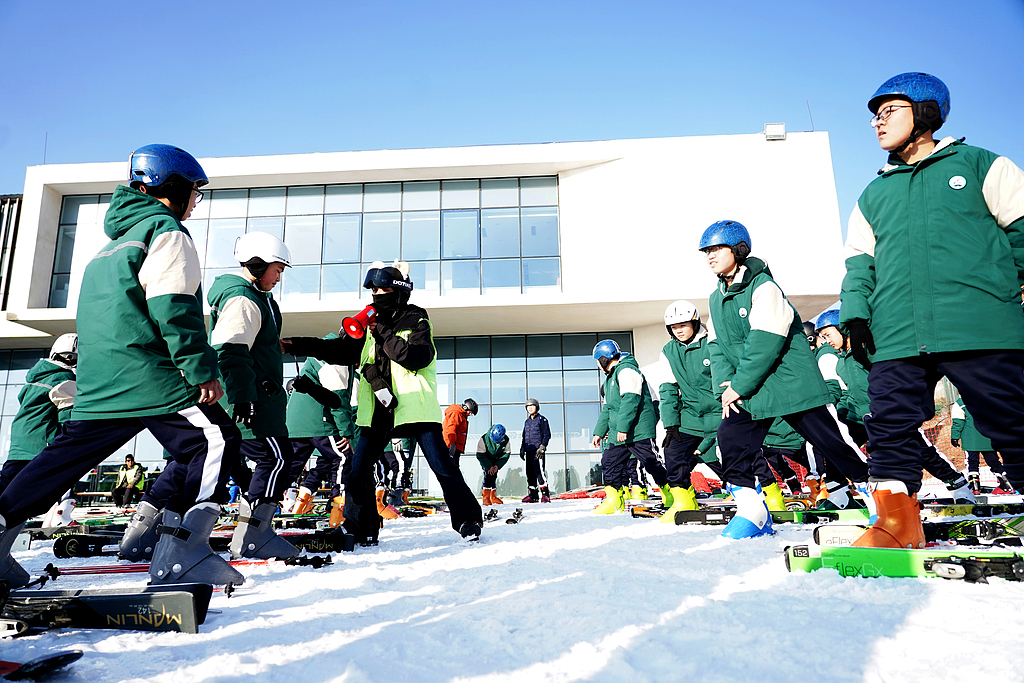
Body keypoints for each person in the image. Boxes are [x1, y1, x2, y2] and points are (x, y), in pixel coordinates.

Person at [0, 144, 243, 588]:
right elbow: (172, 306)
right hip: (150, 376)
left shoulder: (109, 248)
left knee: (56, 464)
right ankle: (183, 552)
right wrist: (200, 367)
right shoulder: (164, 231)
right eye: (194, 191)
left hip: (100, 383)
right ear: (173, 188)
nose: (195, 202)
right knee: (216, 440)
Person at [839, 72, 1024, 548]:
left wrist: (1006, 291)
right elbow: (860, 266)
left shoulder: (984, 165)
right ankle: (896, 523)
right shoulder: (873, 193)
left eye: (889, 112)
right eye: (874, 117)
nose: (877, 123)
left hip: (980, 326)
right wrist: (856, 315)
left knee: (1010, 420)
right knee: (888, 426)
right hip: (896, 333)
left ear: (926, 113)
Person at [282, 261, 484, 542]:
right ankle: (360, 528)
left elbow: (415, 357)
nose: (377, 294)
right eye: (373, 289)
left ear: (399, 291)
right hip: (377, 410)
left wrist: (382, 332)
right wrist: (299, 344)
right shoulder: (366, 325)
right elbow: (339, 351)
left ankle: (468, 521)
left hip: (414, 409)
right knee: (358, 470)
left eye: (384, 288)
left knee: (443, 467)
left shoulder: (417, 320)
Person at [701, 220, 872, 539]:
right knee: (730, 440)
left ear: (738, 250)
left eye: (716, 249)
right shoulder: (716, 299)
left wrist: (739, 385)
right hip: (752, 389)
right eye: (706, 251)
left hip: (791, 384)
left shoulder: (765, 288)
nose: (709, 256)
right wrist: (727, 385)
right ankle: (752, 512)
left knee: (832, 445)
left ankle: (883, 500)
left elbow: (764, 342)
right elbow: (717, 345)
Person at [817, 309, 973, 503]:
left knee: (919, 450)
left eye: (828, 334)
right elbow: (851, 392)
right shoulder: (841, 362)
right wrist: (842, 412)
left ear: (842, 329)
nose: (827, 340)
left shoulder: (866, 352)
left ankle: (957, 484)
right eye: (823, 337)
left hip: (886, 414)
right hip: (859, 417)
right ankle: (838, 494)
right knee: (838, 446)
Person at [207, 231, 298, 560]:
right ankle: (254, 535)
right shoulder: (244, 299)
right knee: (276, 459)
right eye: (277, 269)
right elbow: (230, 351)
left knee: (225, 466)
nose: (279, 276)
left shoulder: (259, 299)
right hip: (252, 403)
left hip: (258, 398)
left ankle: (157, 528)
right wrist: (244, 397)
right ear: (258, 265)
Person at [591, 340, 671, 514]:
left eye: (597, 361)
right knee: (609, 462)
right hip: (619, 432)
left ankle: (671, 493)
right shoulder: (610, 379)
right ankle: (614, 500)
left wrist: (623, 428)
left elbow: (630, 401)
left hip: (637, 430)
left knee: (651, 462)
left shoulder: (627, 371)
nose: (597, 365)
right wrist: (599, 432)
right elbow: (609, 409)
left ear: (604, 359)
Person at [655, 300, 717, 522]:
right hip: (691, 415)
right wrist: (670, 424)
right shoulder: (668, 352)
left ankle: (765, 495)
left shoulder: (713, 341)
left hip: (721, 412)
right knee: (674, 451)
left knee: (731, 457)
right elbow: (668, 390)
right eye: (673, 327)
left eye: (683, 325)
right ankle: (683, 500)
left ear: (694, 322)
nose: (678, 330)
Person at [285, 339, 355, 526]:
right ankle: (339, 506)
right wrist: (346, 432)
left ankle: (264, 505)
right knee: (343, 456)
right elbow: (338, 400)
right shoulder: (337, 359)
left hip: (296, 421)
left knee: (291, 466)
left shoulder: (318, 355)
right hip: (319, 419)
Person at [0, 334, 77, 496]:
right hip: (41, 447)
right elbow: (69, 420)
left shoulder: (35, 379)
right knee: (38, 493)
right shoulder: (65, 379)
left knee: (6, 487)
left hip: (19, 446)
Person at [950, 397, 1016, 494]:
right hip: (987, 437)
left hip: (970, 439)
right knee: (994, 462)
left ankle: (975, 488)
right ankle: (1007, 485)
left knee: (972, 463)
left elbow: (958, 422)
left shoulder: (961, 403)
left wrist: (955, 436)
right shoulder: (988, 399)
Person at [521, 398, 552, 503]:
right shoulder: (527, 422)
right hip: (528, 450)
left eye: (532, 406)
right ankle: (533, 495)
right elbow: (524, 436)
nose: (530, 408)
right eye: (528, 406)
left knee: (539, 472)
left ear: (537, 407)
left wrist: (542, 447)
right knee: (529, 472)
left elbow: (547, 434)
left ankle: (545, 494)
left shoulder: (542, 419)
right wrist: (522, 448)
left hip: (537, 450)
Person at [477, 424, 511, 505]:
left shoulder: (506, 440)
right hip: (486, 460)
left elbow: (506, 454)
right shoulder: (484, 439)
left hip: (496, 461)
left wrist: (497, 465)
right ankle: (486, 497)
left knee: (494, 476)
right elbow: (480, 455)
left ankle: (492, 496)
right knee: (488, 475)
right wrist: (488, 466)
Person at [442, 398, 478, 465]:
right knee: (451, 469)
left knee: (454, 469)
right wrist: (452, 445)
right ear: (466, 407)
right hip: (451, 446)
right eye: (470, 412)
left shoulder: (461, 415)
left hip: (455, 447)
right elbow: (451, 428)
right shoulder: (456, 413)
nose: (469, 415)